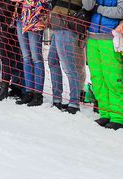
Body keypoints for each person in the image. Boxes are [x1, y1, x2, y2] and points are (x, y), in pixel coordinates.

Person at [83, 0, 123, 129]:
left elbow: (120, 11)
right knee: (97, 78)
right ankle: (104, 113)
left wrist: (98, 8)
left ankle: (118, 116)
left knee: (112, 78)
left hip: (110, 37)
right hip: (93, 37)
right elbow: (88, 6)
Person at [47, 0, 87, 114]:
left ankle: (74, 102)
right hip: (57, 23)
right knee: (52, 61)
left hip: (67, 24)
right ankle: (57, 99)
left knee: (69, 67)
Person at [14, 0, 51, 107]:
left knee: (36, 57)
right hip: (20, 17)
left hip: (35, 18)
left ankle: (38, 94)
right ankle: (28, 91)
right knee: (26, 57)